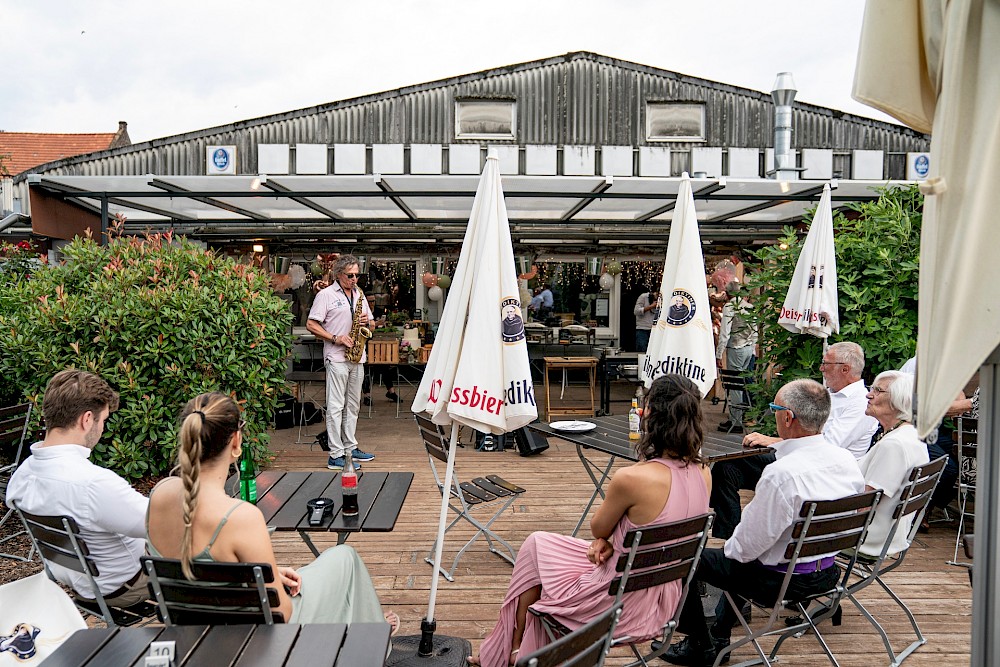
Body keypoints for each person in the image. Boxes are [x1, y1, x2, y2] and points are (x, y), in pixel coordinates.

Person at [467, 374, 712, 667]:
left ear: (651, 417)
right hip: (663, 603)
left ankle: (514, 650)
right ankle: (517, 651)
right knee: (540, 547)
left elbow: (598, 527)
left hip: (617, 604)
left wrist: (604, 537)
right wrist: (609, 540)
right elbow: (650, 529)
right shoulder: (705, 474)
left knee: (535, 553)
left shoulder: (633, 478)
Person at [145, 391, 397, 631]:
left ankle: (367, 627)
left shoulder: (159, 494)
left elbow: (203, 571)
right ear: (236, 441)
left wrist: (270, 574)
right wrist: (275, 585)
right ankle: (372, 638)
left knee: (316, 571)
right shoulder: (239, 517)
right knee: (344, 558)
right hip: (252, 638)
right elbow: (283, 612)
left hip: (191, 630)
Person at [663, 379, 866, 666]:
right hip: (829, 571)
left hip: (784, 583)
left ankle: (700, 646)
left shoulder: (782, 473)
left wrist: (729, 547)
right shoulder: (846, 460)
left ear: (787, 417)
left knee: (683, 557)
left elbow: (743, 551)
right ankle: (719, 636)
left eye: (774, 408)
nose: (773, 414)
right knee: (749, 555)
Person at [5, 369, 150, 607]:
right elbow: (160, 525)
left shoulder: (22, 476)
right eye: (102, 420)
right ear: (86, 419)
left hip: (81, 585)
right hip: (127, 588)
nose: (102, 428)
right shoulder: (93, 484)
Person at [710, 341, 878, 539]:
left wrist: (773, 441)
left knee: (733, 466)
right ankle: (729, 535)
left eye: (826, 364)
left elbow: (828, 444)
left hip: (821, 473)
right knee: (726, 467)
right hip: (804, 461)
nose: (821, 368)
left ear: (845, 369)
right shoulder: (832, 394)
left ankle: (737, 538)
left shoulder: (859, 403)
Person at [307, 254, 377, 470]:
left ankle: (350, 447)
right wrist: (336, 338)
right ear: (339, 275)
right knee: (336, 406)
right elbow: (311, 324)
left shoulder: (360, 295)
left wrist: (368, 322)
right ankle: (335, 454)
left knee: (353, 406)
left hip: (357, 356)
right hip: (337, 356)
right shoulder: (326, 295)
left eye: (357, 275)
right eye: (350, 275)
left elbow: (372, 325)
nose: (354, 279)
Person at [856, 371, 929, 556]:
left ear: (899, 400)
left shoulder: (894, 445)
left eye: (878, 390)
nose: (869, 394)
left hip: (868, 538)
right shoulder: (911, 434)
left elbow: (864, 503)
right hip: (888, 533)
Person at [715, 281, 757, 433]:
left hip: (736, 348)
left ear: (727, 293)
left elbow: (725, 333)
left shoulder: (730, 307)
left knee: (735, 385)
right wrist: (752, 349)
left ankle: (736, 422)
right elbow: (755, 331)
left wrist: (718, 354)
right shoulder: (749, 307)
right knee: (744, 383)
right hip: (747, 349)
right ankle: (743, 417)